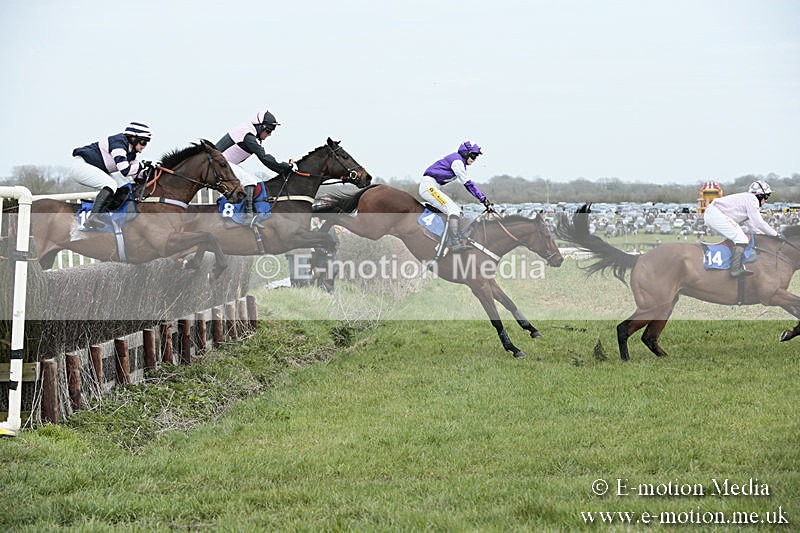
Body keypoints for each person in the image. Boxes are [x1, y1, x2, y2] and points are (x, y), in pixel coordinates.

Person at [215, 110, 294, 224]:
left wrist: (284, 168)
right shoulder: (248, 135)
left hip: (225, 165)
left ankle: (249, 211)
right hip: (220, 165)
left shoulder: (251, 134)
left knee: (258, 183)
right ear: (260, 126)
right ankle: (248, 215)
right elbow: (265, 158)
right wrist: (286, 167)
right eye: (268, 131)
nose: (269, 134)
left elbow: (266, 158)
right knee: (250, 181)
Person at [71, 121, 154, 229]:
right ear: (133, 138)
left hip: (95, 168)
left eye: (147, 142)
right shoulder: (118, 143)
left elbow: (136, 176)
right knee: (110, 184)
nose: (144, 146)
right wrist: (142, 165)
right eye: (143, 142)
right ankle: (93, 217)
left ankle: (109, 215)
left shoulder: (131, 153)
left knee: (123, 187)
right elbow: (125, 170)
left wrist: (149, 171)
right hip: (81, 166)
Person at [420, 140, 492, 255]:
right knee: (453, 210)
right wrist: (482, 198)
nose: (474, 159)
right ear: (465, 153)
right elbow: (468, 184)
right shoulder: (457, 162)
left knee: (457, 212)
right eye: (473, 156)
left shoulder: (459, 161)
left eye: (476, 157)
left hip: (432, 186)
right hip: (429, 186)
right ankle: (454, 243)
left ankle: (445, 241)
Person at [704, 180, 778, 277]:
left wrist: (763, 236)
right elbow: (759, 223)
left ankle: (729, 263)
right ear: (760, 195)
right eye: (766, 196)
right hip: (715, 214)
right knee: (741, 239)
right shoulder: (752, 200)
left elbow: (752, 226)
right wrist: (776, 234)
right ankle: (735, 269)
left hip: (713, 214)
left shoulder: (748, 200)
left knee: (738, 238)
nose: (766, 200)